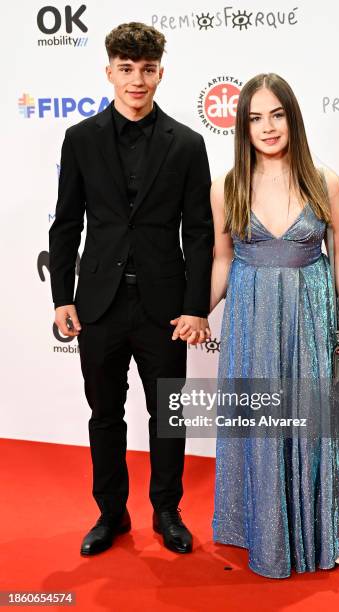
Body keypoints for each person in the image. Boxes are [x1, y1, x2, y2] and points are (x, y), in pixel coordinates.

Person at [49, 22, 214, 556]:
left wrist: (195, 307)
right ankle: (111, 513)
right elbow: (65, 225)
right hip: (98, 305)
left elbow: (201, 233)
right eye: (126, 69)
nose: (136, 80)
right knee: (104, 413)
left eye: (146, 70)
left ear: (160, 73)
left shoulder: (188, 144)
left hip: (164, 308)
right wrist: (62, 296)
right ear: (109, 72)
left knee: (167, 414)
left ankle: (167, 511)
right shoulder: (80, 140)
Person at [208, 73, 339, 579]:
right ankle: (263, 528)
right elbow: (222, 261)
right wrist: (196, 311)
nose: (267, 126)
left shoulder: (326, 180)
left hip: (310, 319)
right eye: (255, 117)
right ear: (242, 126)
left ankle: (321, 530)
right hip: (251, 319)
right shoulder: (226, 185)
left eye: (276, 114)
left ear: (292, 116)